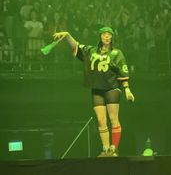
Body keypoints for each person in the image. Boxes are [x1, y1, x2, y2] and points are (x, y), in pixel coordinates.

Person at [53, 26, 135, 157]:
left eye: (109, 34)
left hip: (112, 88)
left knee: (113, 119)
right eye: (104, 34)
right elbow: (76, 47)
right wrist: (67, 35)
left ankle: (114, 149)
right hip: (97, 89)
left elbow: (123, 71)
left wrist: (127, 89)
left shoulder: (117, 53)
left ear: (112, 37)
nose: (107, 36)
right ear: (100, 36)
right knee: (101, 120)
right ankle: (106, 149)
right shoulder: (91, 51)